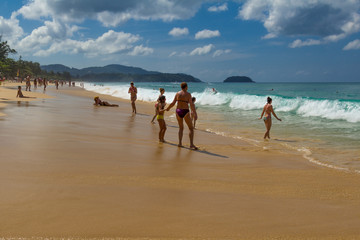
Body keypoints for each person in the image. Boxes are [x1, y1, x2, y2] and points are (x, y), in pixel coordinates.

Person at [166, 82, 198, 150]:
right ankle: (191, 144)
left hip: (178, 111)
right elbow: (191, 105)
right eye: (187, 86)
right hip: (185, 111)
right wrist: (195, 113)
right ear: (186, 87)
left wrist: (168, 108)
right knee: (191, 128)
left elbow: (173, 103)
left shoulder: (177, 93)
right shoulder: (188, 94)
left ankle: (180, 143)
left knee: (181, 128)